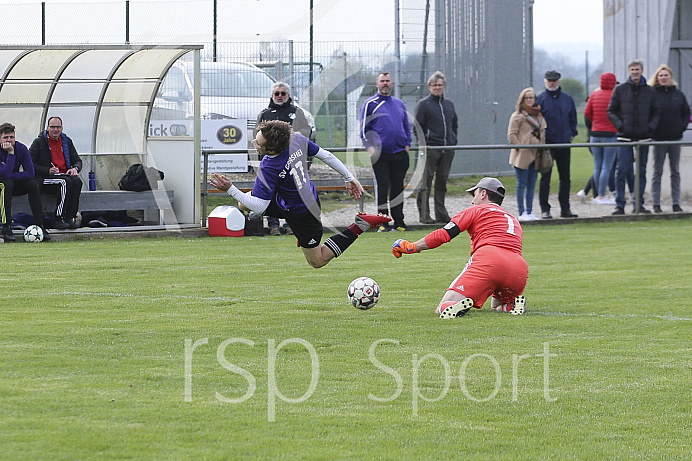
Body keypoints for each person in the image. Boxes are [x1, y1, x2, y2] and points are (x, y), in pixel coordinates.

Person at [209, 120, 391, 268]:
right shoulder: (296, 139)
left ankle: (360, 224)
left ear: (271, 150)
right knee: (243, 203)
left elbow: (261, 206)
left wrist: (230, 190)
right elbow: (325, 155)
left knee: (317, 260)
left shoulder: (268, 166)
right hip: (291, 198)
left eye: (258, 143)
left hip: (303, 213)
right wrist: (348, 177)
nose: (254, 143)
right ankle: (301, 236)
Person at [391, 177, 527, 319]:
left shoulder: (476, 210)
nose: (472, 200)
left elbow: (443, 235)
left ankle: (455, 305)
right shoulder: (512, 218)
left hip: (489, 259)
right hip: (518, 268)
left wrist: (411, 247)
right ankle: (511, 305)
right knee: (496, 306)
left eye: (474, 194)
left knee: (442, 308)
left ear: (483, 194)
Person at [255, 82, 314, 236]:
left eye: (283, 93)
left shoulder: (297, 112)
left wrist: (295, 135)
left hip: (294, 160)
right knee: (270, 191)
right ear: (272, 95)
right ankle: (273, 225)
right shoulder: (265, 114)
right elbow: (258, 136)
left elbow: (308, 131)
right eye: (277, 93)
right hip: (273, 162)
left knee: (294, 190)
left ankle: (290, 224)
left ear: (288, 95)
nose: (280, 96)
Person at [360, 71, 412, 231]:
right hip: (380, 155)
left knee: (397, 189)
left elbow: (406, 126)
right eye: (382, 81)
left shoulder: (399, 104)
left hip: (400, 154)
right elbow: (363, 130)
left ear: (392, 83)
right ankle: (382, 222)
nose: (385, 84)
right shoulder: (370, 104)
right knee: (382, 188)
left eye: (388, 81)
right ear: (377, 84)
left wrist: (407, 145)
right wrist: (370, 149)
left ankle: (399, 222)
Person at [607, 59, 660, 215]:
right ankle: (620, 204)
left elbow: (656, 112)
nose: (635, 72)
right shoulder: (620, 89)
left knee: (641, 171)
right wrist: (621, 126)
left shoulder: (650, 91)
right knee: (621, 170)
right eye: (632, 69)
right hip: (624, 137)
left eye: (637, 69)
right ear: (629, 71)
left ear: (642, 71)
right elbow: (611, 111)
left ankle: (639, 204)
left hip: (643, 137)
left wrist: (650, 127)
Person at [413, 71, 458, 224]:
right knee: (426, 182)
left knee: (442, 182)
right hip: (431, 149)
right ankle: (424, 215)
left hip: (448, 149)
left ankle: (441, 213)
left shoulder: (449, 104)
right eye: (434, 85)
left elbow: (454, 125)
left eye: (440, 85)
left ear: (444, 87)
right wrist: (425, 145)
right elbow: (417, 127)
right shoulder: (423, 105)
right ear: (430, 87)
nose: (437, 88)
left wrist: (453, 141)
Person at [536, 70, 578, 219]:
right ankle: (544, 209)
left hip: (564, 143)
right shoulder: (540, 99)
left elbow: (573, 118)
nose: (552, 83)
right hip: (547, 145)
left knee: (565, 178)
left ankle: (565, 208)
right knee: (545, 178)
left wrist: (572, 134)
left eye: (554, 80)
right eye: (549, 80)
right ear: (545, 81)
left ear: (559, 81)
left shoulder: (567, 99)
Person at [29, 116, 84, 229]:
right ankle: (59, 217)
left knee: (77, 181)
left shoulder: (66, 141)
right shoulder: (39, 142)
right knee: (65, 182)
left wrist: (75, 168)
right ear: (47, 128)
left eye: (58, 127)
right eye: (53, 127)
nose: (55, 130)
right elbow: (30, 164)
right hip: (44, 179)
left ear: (62, 128)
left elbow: (77, 160)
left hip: (63, 175)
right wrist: (47, 170)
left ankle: (70, 216)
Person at [649, 64, 690, 213]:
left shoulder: (678, 94)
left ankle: (675, 203)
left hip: (674, 138)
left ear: (670, 77)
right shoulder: (652, 94)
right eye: (661, 75)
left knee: (675, 171)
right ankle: (656, 203)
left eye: (666, 75)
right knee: (657, 171)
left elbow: (686, 113)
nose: (663, 78)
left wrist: (681, 127)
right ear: (657, 78)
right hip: (658, 138)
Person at [0, 122, 50, 242]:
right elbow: (4, 176)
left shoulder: (21, 148)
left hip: (12, 181)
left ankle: (40, 225)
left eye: (11, 137)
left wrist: (10, 173)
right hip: (3, 185)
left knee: (32, 184)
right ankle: (6, 227)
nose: (9, 140)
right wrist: (10, 154)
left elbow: (30, 173)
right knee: (6, 184)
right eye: (5, 137)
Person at [507, 87, 545, 221]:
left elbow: (542, 132)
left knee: (532, 184)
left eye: (531, 98)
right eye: (527, 98)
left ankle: (530, 211)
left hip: (536, 154)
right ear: (522, 99)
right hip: (522, 155)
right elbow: (512, 135)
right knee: (521, 183)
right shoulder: (517, 116)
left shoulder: (539, 115)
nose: (529, 100)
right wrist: (520, 147)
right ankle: (521, 212)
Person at [583, 73, 618, 205]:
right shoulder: (615, 95)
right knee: (607, 166)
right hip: (610, 134)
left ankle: (596, 194)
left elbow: (587, 112)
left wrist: (595, 122)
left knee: (597, 166)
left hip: (595, 134)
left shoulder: (594, 94)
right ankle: (602, 195)